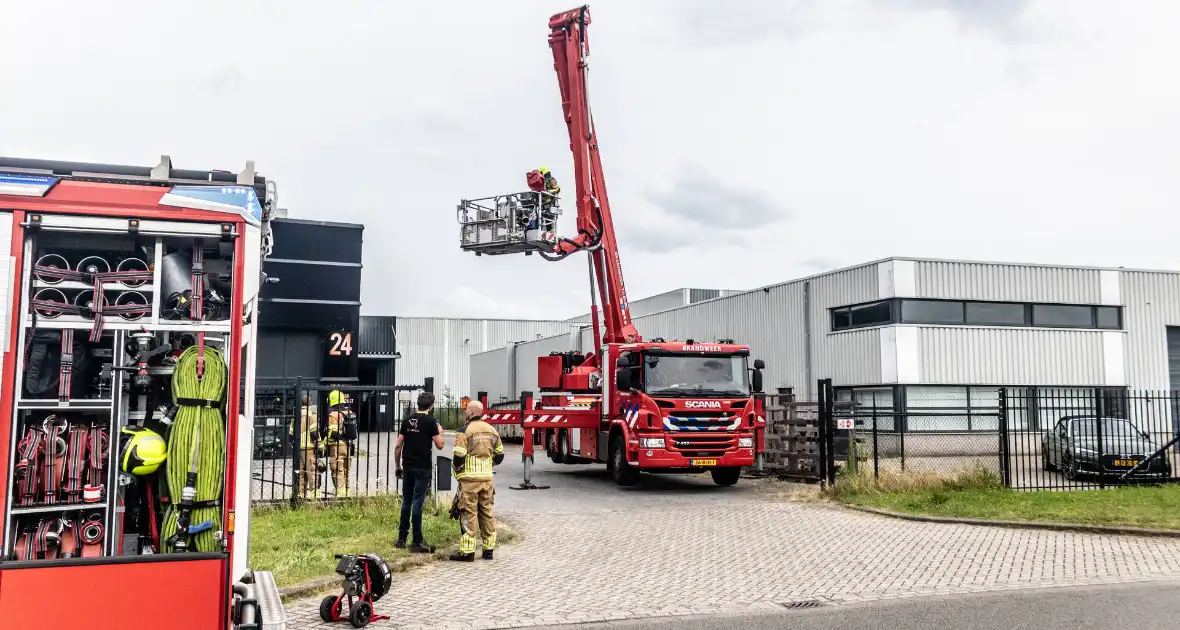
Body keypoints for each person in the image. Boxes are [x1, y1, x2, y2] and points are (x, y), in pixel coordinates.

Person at [449, 401, 504, 562]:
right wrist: (487, 464)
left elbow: (458, 456)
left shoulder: (464, 431)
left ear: (471, 413)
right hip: (487, 479)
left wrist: (458, 469)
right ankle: (488, 550)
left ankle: (467, 552)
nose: (464, 412)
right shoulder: (492, 430)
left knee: (468, 513)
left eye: (466, 410)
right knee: (486, 513)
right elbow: (500, 455)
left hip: (469, 480)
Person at [394, 392, 444, 553]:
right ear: (431, 406)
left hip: (407, 465)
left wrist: (397, 466)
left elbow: (398, 446)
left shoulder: (406, 420)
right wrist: (440, 431)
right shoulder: (431, 423)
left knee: (406, 501)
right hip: (423, 467)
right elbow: (440, 445)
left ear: (417, 404)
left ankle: (401, 538)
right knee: (417, 503)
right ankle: (417, 540)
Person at [324, 390, 357, 498]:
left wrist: (325, 441)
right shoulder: (350, 413)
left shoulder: (333, 414)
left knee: (337, 469)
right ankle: (347, 491)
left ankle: (340, 493)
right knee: (346, 469)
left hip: (337, 446)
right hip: (349, 445)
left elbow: (333, 433)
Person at [289, 394, 323, 498]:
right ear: (310, 403)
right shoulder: (311, 415)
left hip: (298, 449)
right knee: (312, 472)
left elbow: (291, 435)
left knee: (301, 473)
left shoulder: (296, 416)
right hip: (309, 448)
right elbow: (314, 434)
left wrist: (294, 446)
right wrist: (321, 447)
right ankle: (315, 495)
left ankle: (300, 495)